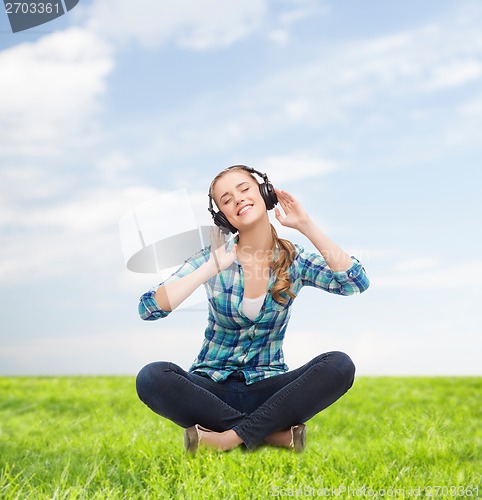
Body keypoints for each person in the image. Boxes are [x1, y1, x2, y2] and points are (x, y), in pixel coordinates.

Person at [136, 165, 369, 453]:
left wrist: (306, 224)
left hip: (269, 389)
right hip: (211, 388)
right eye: (226, 199)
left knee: (339, 365)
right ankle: (270, 434)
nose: (238, 199)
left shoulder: (295, 260)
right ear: (223, 215)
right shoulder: (213, 258)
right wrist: (209, 269)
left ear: (264, 193)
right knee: (151, 377)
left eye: (244, 189)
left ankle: (226, 438)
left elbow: (355, 282)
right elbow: (148, 308)